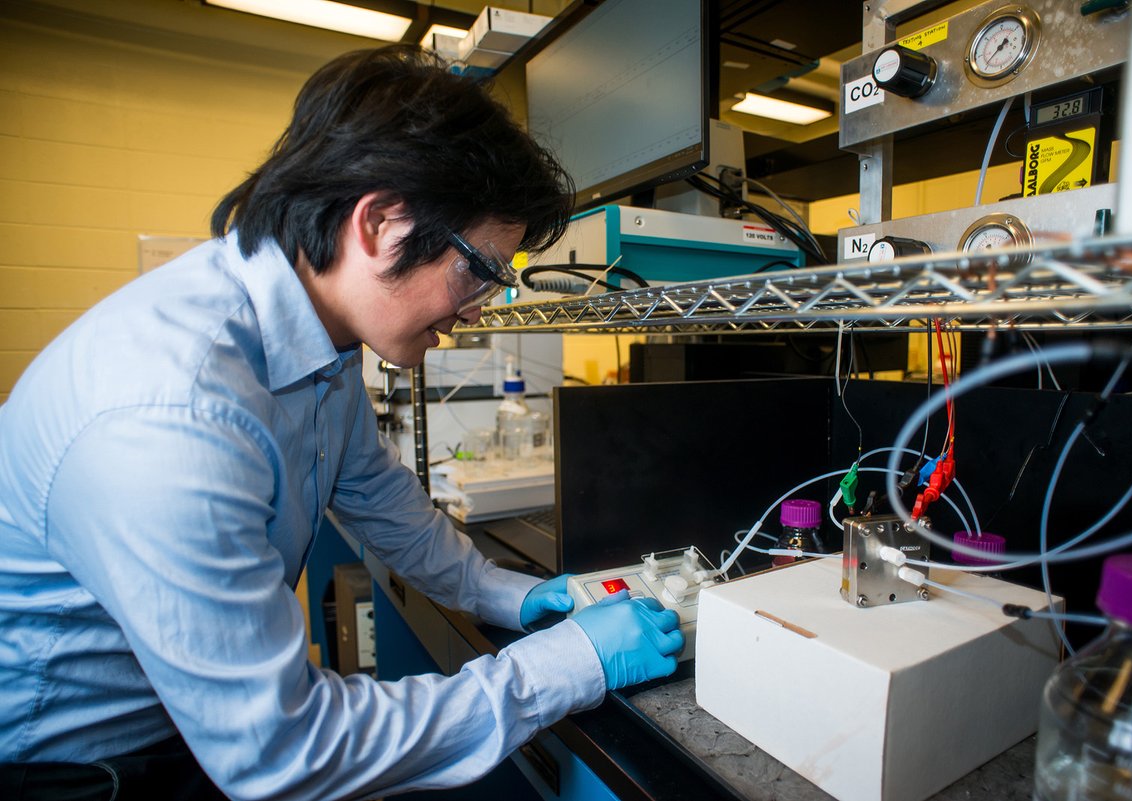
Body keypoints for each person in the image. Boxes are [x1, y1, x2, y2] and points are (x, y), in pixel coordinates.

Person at [0, 44, 684, 800]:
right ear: (381, 223)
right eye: (482, 270)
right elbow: (286, 750)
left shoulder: (315, 340)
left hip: (184, 722)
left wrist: (504, 592)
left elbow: (374, 490)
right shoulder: (172, 412)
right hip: (76, 771)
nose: (479, 309)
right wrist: (567, 664)